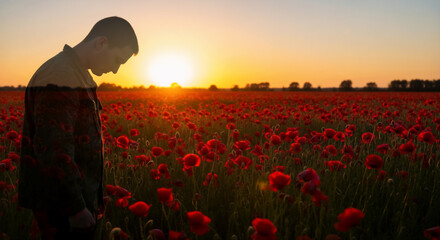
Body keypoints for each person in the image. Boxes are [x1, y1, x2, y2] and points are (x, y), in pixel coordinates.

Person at [18, 16, 138, 240]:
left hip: (70, 204)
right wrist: (75, 208)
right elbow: (54, 150)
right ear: (101, 43)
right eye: (118, 60)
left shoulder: (76, 74)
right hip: (60, 210)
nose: (115, 70)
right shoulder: (61, 75)